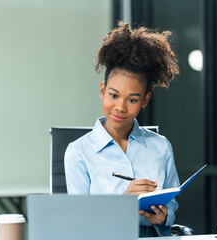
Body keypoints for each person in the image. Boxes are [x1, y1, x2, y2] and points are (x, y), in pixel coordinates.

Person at [64, 21, 180, 237]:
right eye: (114, 95)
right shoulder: (78, 152)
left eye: (132, 99)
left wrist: (164, 216)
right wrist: (125, 202)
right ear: (102, 90)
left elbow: (171, 203)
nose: (120, 107)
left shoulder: (161, 147)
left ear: (145, 100)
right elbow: (79, 222)